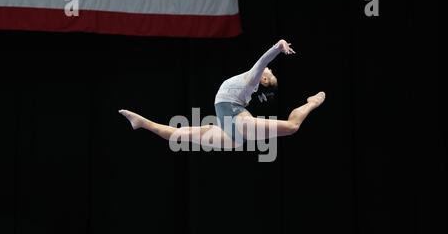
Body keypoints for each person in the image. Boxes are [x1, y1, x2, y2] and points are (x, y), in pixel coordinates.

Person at [119, 39, 325, 149]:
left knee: (292, 127)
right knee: (178, 135)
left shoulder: (254, 78)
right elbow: (262, 65)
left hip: (235, 122)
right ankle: (142, 123)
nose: (270, 71)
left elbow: (263, 62)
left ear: (264, 80)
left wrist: (277, 47)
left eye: (271, 74)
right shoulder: (250, 84)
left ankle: (311, 103)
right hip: (232, 129)